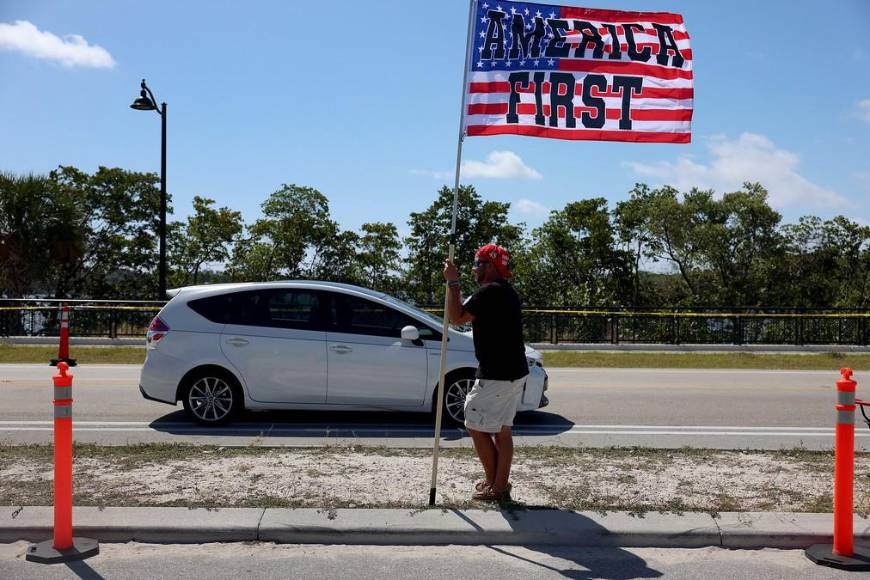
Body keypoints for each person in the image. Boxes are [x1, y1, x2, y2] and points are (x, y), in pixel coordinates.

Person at [442, 243, 528, 502]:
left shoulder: (489, 291)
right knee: (502, 429)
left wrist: (452, 282)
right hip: (514, 370)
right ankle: (499, 484)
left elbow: (456, 318)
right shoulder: (506, 291)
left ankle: (496, 486)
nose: (474, 268)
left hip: (497, 374)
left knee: (474, 423)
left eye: (478, 263)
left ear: (490, 267)